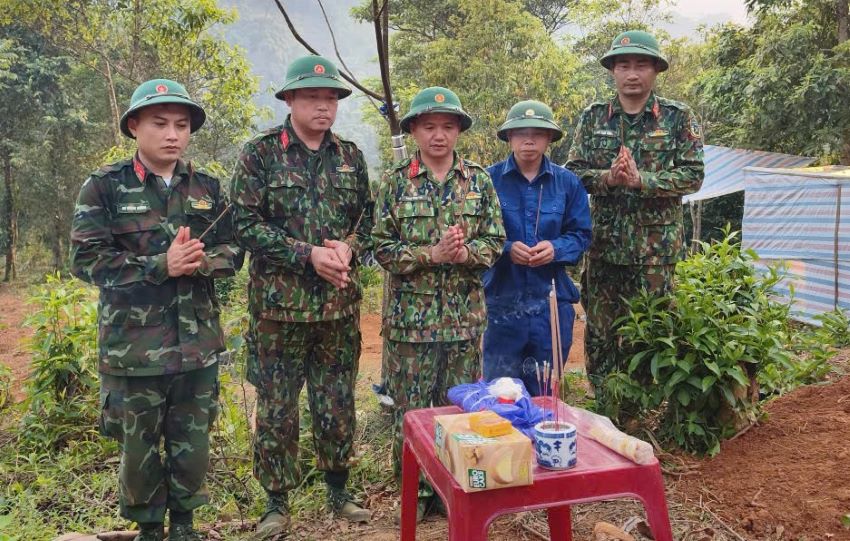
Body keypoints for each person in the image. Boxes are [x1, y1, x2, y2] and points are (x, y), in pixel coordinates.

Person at [70, 79, 242, 541]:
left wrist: (203, 261)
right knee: (139, 448)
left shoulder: (206, 186)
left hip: (197, 345)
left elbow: (233, 250)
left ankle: (185, 526)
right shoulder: (104, 187)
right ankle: (149, 529)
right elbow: (85, 260)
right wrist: (158, 265)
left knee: (192, 444)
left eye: (181, 125)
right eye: (160, 123)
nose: (173, 134)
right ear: (134, 126)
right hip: (135, 349)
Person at [229, 54, 373, 538]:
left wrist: (348, 249)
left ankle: (339, 489)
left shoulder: (351, 156)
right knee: (277, 407)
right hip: (278, 310)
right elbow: (244, 224)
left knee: (336, 402)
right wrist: (306, 253)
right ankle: (275, 502)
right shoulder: (260, 154)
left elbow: (367, 221)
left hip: (337, 309)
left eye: (331, 97)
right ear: (290, 98)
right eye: (312, 97)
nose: (323, 106)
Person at [372, 86, 506, 517]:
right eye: (428, 126)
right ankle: (416, 495)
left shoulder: (479, 181)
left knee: (462, 411)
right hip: (410, 324)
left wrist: (467, 253)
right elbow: (381, 248)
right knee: (411, 414)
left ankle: (456, 491)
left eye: (447, 127)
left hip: (464, 322)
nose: (438, 135)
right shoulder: (395, 183)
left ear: (458, 131)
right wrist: (432, 254)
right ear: (413, 130)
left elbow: (496, 241)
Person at [565, 30, 704, 405]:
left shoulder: (677, 118)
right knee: (601, 333)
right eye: (623, 64)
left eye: (641, 64)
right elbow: (573, 174)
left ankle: (645, 412)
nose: (631, 73)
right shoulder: (593, 118)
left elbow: (693, 174)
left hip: (655, 252)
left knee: (652, 332)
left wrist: (644, 180)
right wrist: (608, 178)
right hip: (606, 248)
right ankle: (606, 407)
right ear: (612, 70)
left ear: (655, 70)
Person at [483, 100, 591, 396]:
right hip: (501, 305)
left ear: (549, 139)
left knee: (545, 395)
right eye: (520, 132)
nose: (528, 140)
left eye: (537, 133)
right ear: (508, 137)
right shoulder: (486, 181)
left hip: (551, 306)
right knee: (500, 394)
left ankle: (542, 443)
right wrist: (506, 248)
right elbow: (474, 235)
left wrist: (555, 249)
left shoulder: (568, 183)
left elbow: (582, 235)